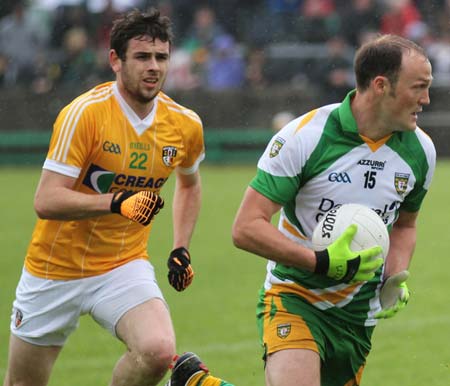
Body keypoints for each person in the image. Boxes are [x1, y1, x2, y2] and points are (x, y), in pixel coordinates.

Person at [3, 9, 203, 386]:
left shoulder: (185, 124)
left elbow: (189, 185)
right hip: (54, 269)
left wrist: (181, 247)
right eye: (142, 57)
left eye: (161, 57)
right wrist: (115, 201)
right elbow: (46, 200)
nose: (154, 67)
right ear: (115, 60)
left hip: (122, 264)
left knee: (158, 351)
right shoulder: (84, 115)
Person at [232, 34, 436, 386]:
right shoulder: (305, 137)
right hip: (296, 295)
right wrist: (319, 262)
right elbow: (246, 227)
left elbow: (405, 226)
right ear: (381, 85)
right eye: (418, 87)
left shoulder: (421, 152)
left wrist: (394, 275)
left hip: (358, 315)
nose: (426, 99)